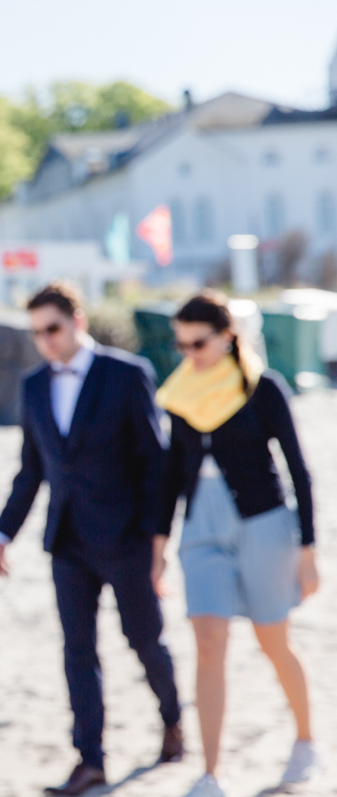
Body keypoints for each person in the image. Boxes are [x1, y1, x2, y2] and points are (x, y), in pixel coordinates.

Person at [0, 282, 182, 796]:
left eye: (53, 328)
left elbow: (155, 464)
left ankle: (173, 719)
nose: (46, 341)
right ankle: (90, 759)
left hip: (127, 540)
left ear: (78, 320)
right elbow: (31, 469)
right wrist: (4, 531)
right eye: (37, 334)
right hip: (67, 542)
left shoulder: (127, 374)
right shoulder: (33, 386)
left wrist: (156, 540)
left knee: (144, 640)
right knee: (78, 651)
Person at [158, 292, 321, 797]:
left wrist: (308, 551)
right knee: (208, 645)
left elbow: (298, 469)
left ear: (227, 335)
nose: (189, 352)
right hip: (200, 530)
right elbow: (169, 476)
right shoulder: (180, 394)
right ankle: (210, 774)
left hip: (264, 525)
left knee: (274, 642)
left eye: (198, 342)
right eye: (180, 343)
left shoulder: (263, 386)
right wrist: (158, 545)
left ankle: (306, 741)